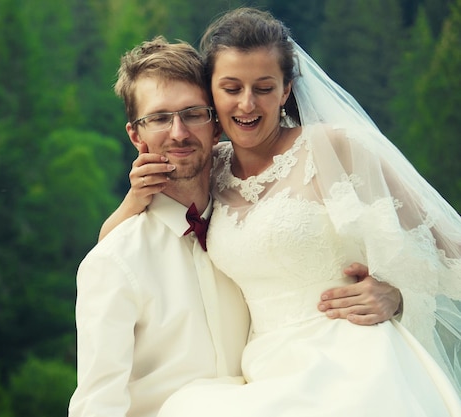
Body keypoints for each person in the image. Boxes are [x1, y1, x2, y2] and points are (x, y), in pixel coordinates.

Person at [108, 7, 461, 416]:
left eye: (263, 87)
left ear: (286, 89)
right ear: (212, 94)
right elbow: (109, 255)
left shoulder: (335, 148)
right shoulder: (210, 168)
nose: (247, 103)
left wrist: (398, 295)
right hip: (265, 371)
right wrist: (134, 200)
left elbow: (451, 250)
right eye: (231, 87)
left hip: (355, 361)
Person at [68, 36, 402, 417]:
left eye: (193, 114)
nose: (178, 132)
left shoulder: (242, 226)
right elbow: (96, 405)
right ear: (135, 136)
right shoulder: (117, 258)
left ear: (216, 126)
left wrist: (396, 293)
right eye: (160, 118)